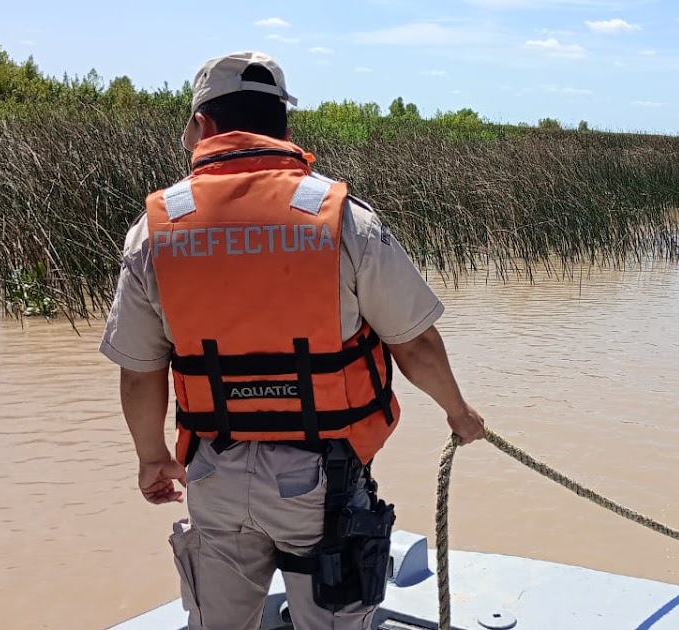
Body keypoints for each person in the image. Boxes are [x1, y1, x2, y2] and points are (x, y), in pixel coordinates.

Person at [98, 51, 486, 630]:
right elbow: (416, 345)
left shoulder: (155, 230)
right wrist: (459, 413)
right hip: (323, 480)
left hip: (214, 471)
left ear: (202, 126)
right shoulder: (344, 219)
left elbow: (138, 371)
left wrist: (152, 457)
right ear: (283, 126)